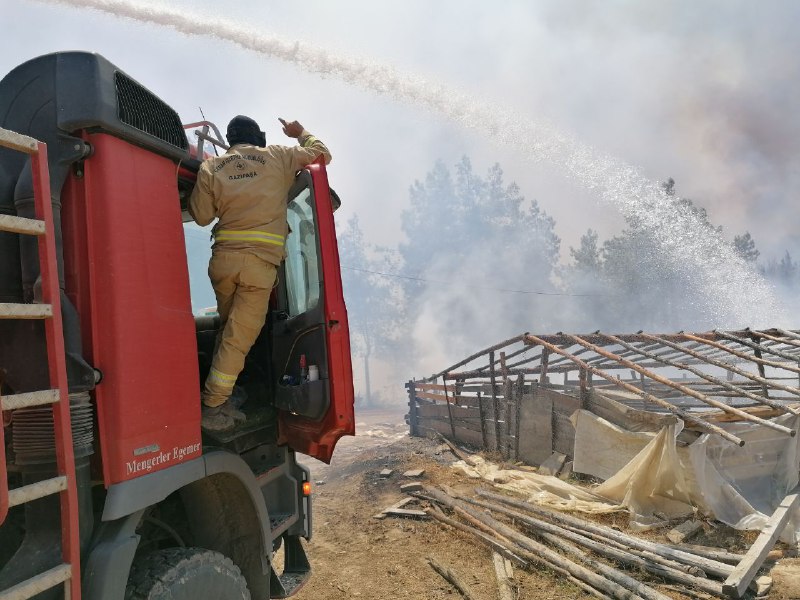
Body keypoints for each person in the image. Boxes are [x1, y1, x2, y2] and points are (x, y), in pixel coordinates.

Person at [189, 115, 332, 431]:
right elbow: (322, 154)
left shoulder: (212, 168)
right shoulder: (279, 156)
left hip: (223, 263)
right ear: (258, 138)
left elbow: (200, 216)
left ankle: (224, 394)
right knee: (238, 341)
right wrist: (300, 132)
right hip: (257, 268)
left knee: (230, 332)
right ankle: (213, 406)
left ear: (230, 140)